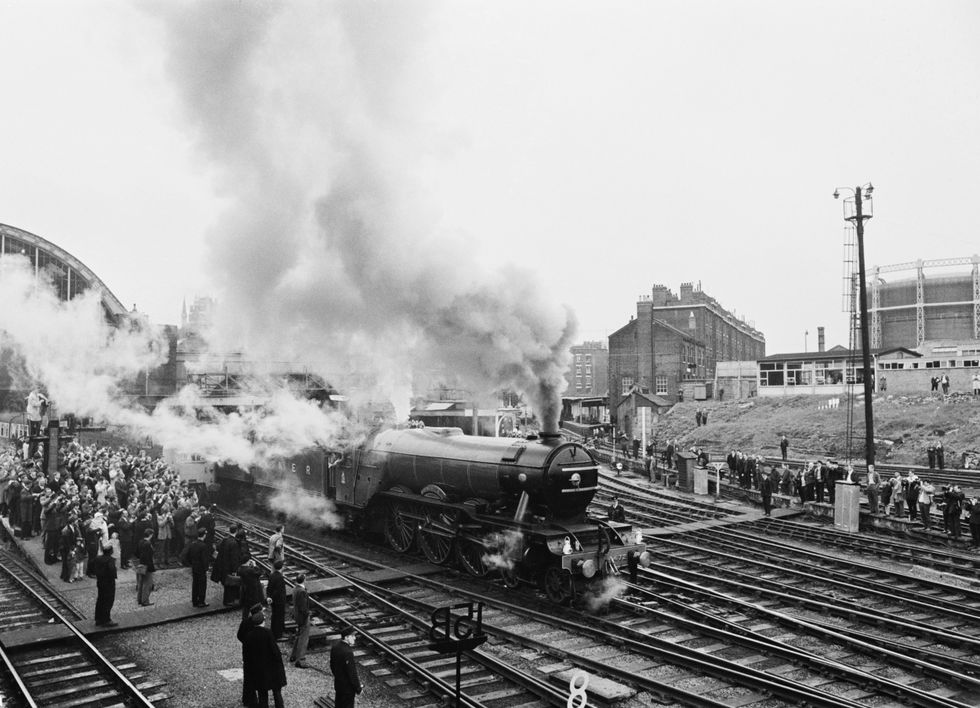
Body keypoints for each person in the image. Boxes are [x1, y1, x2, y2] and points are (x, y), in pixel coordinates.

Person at [239, 603, 287, 708]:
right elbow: (275, 651)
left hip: (258, 669)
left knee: (262, 694)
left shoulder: (249, 636)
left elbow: (246, 653)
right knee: (277, 692)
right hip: (271, 667)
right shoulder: (267, 633)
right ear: (262, 621)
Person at [330, 625, 363, 708]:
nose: (355, 638)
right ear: (346, 637)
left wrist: (338, 676)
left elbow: (332, 665)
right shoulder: (348, 652)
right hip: (347, 689)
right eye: (353, 636)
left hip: (338, 684)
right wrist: (358, 688)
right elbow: (352, 673)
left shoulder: (335, 647)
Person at [212, 525, 243, 606]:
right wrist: (234, 570)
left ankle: (228, 600)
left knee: (226, 583)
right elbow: (234, 558)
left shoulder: (225, 539)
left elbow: (218, 548)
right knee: (229, 584)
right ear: (236, 531)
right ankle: (228, 601)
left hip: (223, 565)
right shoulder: (234, 543)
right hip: (229, 567)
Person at [92, 543, 118, 627]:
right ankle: (106, 619)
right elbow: (112, 571)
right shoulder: (111, 560)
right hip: (109, 582)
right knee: (108, 601)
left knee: (100, 600)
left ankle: (98, 618)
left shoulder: (97, 558)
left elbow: (91, 566)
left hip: (100, 582)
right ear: (111, 551)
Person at [184, 528, 211, 607]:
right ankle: (201, 601)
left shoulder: (192, 544)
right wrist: (206, 568)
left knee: (195, 584)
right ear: (204, 535)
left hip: (194, 567)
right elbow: (204, 559)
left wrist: (191, 563)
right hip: (201, 568)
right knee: (202, 585)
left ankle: (194, 600)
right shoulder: (203, 546)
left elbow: (187, 555)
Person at [289, 574, 311, 668]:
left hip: (297, 616)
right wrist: (308, 614)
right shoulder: (302, 591)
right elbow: (303, 607)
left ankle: (293, 655)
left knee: (299, 636)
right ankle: (300, 660)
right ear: (304, 580)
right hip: (303, 617)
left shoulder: (295, 589)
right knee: (303, 638)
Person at [136, 527, 156, 606]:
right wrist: (150, 567)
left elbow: (136, 553)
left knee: (141, 583)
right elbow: (148, 557)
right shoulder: (148, 544)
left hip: (140, 564)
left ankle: (140, 599)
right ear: (150, 535)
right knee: (147, 584)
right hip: (146, 565)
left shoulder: (140, 542)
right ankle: (145, 601)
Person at [267, 560, 287, 639]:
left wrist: (269, 597)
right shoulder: (280, 577)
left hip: (274, 601)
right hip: (279, 601)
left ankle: (274, 632)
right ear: (281, 567)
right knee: (279, 617)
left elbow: (269, 588)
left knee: (274, 616)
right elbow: (278, 591)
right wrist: (273, 597)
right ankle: (278, 634)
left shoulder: (272, 575)